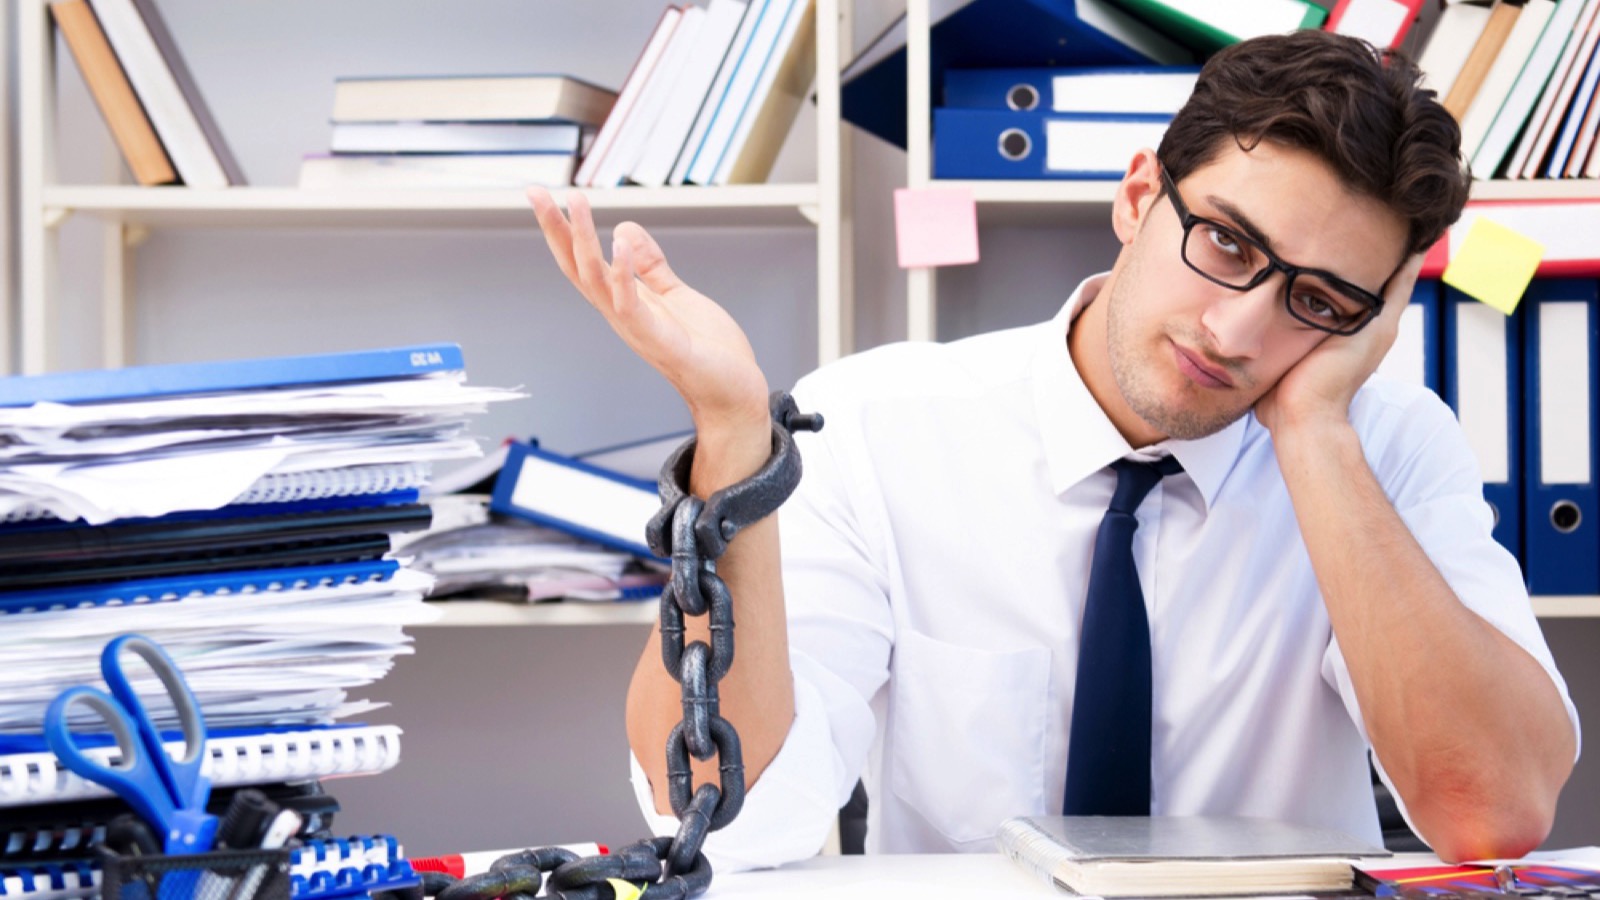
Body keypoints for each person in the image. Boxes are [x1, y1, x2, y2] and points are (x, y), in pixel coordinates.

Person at [527, 29, 1578, 871]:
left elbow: (1488, 814)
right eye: (1227, 243)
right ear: (1135, 200)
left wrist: (1312, 429)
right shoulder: (875, 421)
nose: (1237, 331)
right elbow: (730, 822)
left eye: (1318, 299)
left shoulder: (1388, 447)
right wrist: (730, 437)